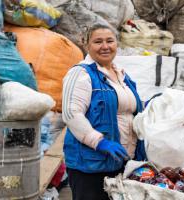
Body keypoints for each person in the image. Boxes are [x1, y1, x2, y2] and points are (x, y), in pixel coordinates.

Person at [62, 24, 146, 200]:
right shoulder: (80, 73)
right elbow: (71, 113)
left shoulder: (123, 76)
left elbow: (132, 111)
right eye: (98, 41)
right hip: (91, 165)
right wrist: (99, 142)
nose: (105, 46)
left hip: (121, 163)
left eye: (110, 41)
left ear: (117, 44)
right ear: (86, 45)